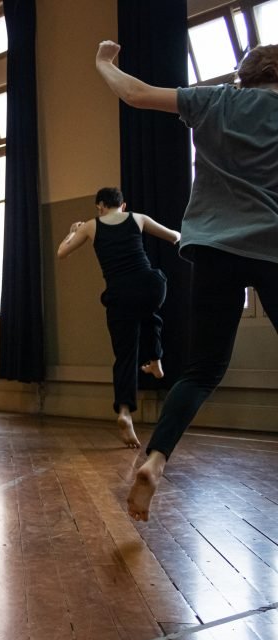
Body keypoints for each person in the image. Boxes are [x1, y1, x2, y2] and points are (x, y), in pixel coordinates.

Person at [95, 41, 278, 521]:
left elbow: (135, 95)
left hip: (214, 251)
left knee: (201, 370)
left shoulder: (213, 100)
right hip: (272, 249)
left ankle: (154, 461)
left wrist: (102, 63)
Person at [57, 187, 180, 448]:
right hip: (149, 286)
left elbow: (62, 253)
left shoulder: (91, 226)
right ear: (122, 205)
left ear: (100, 207)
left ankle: (124, 412)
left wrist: (71, 231)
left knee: (125, 356)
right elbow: (174, 237)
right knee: (150, 313)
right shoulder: (139, 218)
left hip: (119, 294)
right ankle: (156, 359)